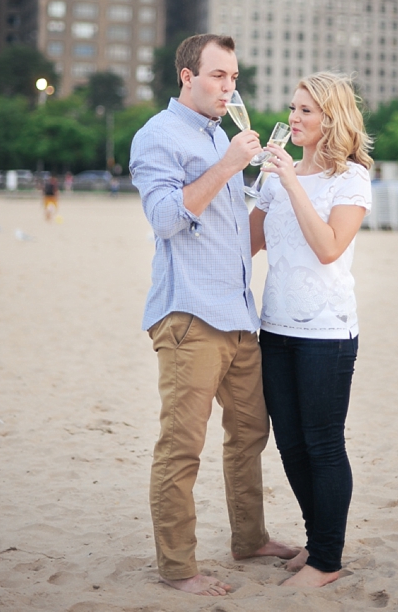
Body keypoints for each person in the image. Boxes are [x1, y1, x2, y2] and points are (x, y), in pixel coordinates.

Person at [130, 33, 297, 597]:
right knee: (181, 446)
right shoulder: (158, 136)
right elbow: (166, 219)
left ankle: (249, 539)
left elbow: (228, 230)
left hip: (238, 317)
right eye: (217, 75)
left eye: (233, 77)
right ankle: (178, 568)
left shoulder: (219, 134)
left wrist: (263, 185)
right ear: (186, 76)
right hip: (189, 317)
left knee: (249, 434)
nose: (229, 87)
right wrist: (228, 165)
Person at [249, 72, 373, 589]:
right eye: (293, 108)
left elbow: (327, 247)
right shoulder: (276, 177)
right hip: (274, 326)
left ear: (332, 118)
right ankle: (316, 539)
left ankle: (328, 559)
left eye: (306, 111)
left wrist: (292, 182)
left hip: (327, 331)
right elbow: (247, 243)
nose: (294, 119)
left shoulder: (353, 179)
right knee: (291, 445)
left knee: (323, 444)